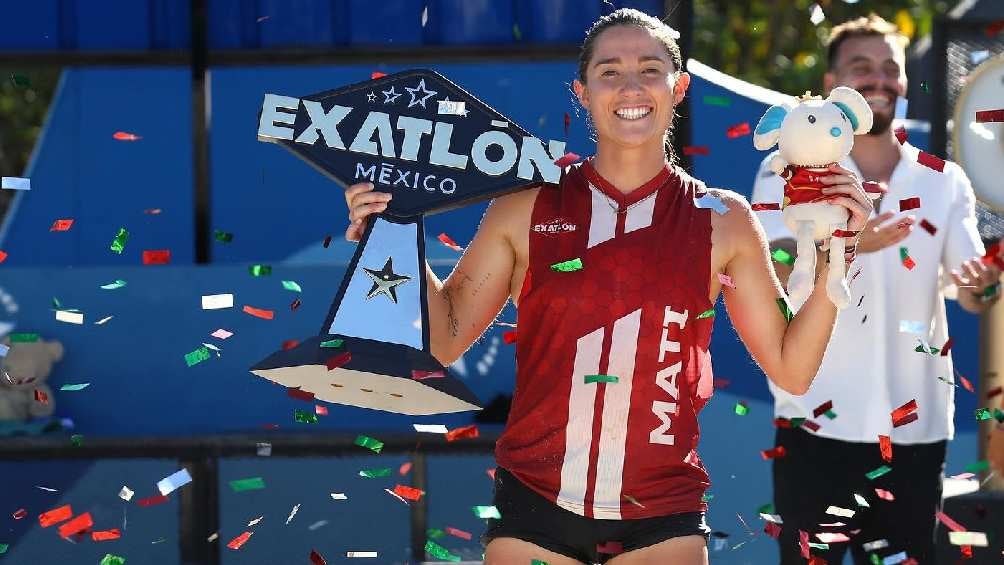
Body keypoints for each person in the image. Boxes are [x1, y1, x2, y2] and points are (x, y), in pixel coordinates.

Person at [346, 9, 871, 565]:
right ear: (582, 92)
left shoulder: (723, 219)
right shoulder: (525, 204)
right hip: (533, 506)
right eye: (610, 72)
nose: (631, 87)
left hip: (663, 514)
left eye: (650, 70)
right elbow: (445, 338)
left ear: (679, 88)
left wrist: (839, 249)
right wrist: (392, 235)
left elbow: (792, 368)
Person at [750, 14, 1004, 565]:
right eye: (861, 67)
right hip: (813, 424)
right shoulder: (784, 168)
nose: (879, 80)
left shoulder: (944, 180)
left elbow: (967, 290)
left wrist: (983, 287)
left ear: (905, 81)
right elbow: (774, 265)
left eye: (891, 68)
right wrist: (846, 245)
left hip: (915, 435)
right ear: (832, 84)